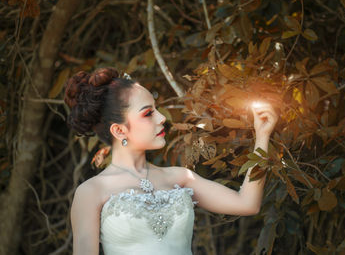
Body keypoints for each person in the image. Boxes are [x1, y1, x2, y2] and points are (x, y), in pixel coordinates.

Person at [65, 67, 278, 255]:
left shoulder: (180, 177)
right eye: (148, 113)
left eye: (156, 109)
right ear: (120, 130)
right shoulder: (91, 192)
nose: (162, 118)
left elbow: (248, 203)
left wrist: (262, 136)